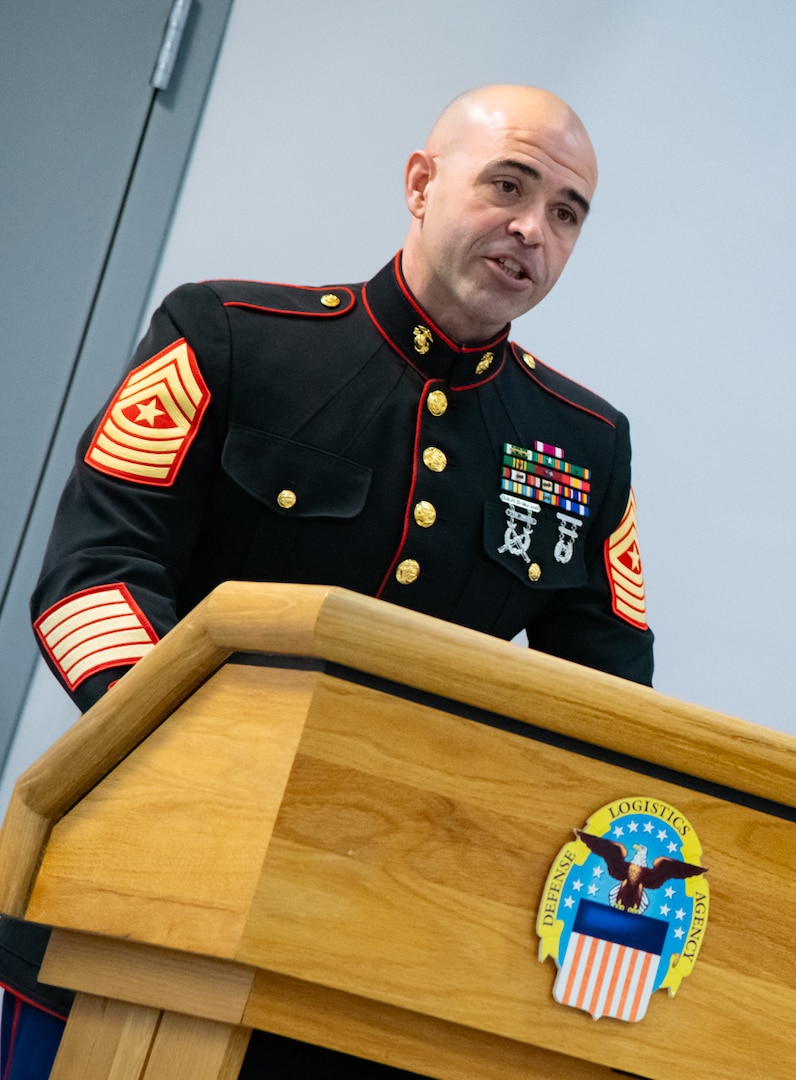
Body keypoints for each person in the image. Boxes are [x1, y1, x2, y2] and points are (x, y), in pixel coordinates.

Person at [5, 85, 653, 1079]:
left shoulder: (583, 446)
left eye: (567, 213)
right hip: (133, 895)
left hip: (365, 957)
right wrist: (210, 761)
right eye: (509, 186)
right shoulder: (229, 336)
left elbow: (607, 709)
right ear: (421, 183)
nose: (534, 228)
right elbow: (96, 579)